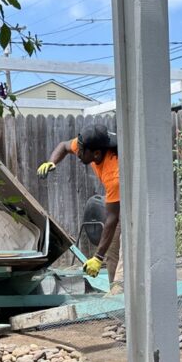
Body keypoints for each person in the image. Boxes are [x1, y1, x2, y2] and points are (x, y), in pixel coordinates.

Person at [38, 123, 122, 293]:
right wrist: (51, 162)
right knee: (112, 250)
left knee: (128, 250)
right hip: (118, 198)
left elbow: (113, 218)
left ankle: (124, 291)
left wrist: (97, 258)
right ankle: (116, 294)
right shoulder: (90, 145)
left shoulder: (114, 173)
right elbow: (64, 145)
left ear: (96, 153)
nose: (78, 154)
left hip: (137, 202)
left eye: (82, 152)